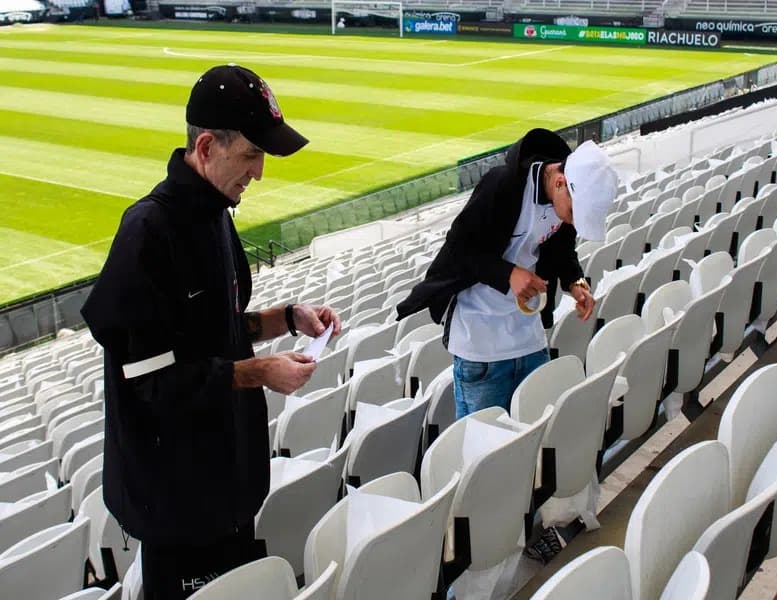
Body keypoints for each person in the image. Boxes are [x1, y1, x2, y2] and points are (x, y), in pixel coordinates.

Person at [81, 64, 341, 600]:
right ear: (206, 146)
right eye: (251, 154)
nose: (260, 172)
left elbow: (215, 329)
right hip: (180, 500)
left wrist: (287, 317)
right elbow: (152, 382)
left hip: (229, 482)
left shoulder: (215, 210)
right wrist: (259, 371)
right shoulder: (148, 233)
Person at [397, 128, 618, 419]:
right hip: (480, 342)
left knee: (530, 433)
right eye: (576, 213)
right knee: (484, 444)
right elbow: (459, 250)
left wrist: (575, 282)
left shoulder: (564, 201)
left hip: (529, 334)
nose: (573, 222)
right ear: (561, 181)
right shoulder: (501, 186)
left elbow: (563, 251)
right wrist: (508, 274)